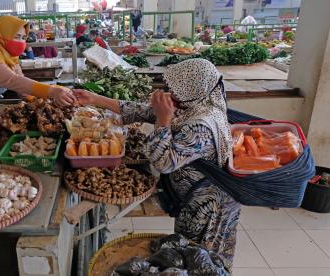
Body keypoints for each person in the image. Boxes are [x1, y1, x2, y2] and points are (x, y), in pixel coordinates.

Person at [73, 59, 239, 269]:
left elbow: (163, 162)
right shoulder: (194, 103)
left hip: (208, 208)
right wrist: (95, 98)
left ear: (193, 88)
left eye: (176, 88)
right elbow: (144, 111)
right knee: (184, 253)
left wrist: (163, 121)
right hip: (190, 200)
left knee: (201, 261)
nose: (170, 92)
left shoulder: (203, 124)